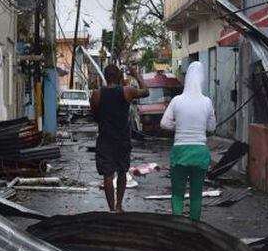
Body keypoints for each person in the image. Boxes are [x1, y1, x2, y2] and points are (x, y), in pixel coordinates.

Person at [160, 61, 216, 221]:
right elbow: (212, 127)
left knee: (177, 194)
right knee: (196, 195)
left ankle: (178, 226)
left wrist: (178, 125)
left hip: (180, 152)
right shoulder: (207, 102)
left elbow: (164, 123)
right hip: (200, 153)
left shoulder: (177, 100)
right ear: (201, 79)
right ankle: (194, 227)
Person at [90, 64, 149, 212]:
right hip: (122, 138)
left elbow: (95, 116)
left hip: (105, 138)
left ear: (105, 76)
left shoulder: (97, 94)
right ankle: (119, 206)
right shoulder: (127, 91)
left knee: (107, 174)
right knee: (122, 171)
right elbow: (146, 91)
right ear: (119, 77)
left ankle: (111, 209)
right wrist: (136, 75)